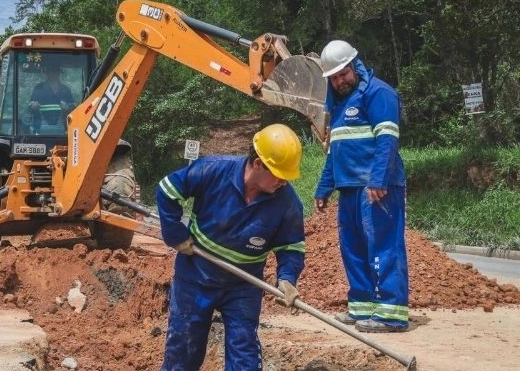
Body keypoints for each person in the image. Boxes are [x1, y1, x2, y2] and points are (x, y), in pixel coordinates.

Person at [156, 124, 306, 370]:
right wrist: (176, 235)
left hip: (243, 285)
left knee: (244, 356)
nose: (283, 182)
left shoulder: (287, 202)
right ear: (258, 164)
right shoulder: (213, 170)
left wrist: (287, 277)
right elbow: (167, 190)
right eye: (279, 174)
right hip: (195, 276)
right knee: (182, 352)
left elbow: (292, 246)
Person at [314, 40, 409, 333]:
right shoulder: (338, 104)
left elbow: (387, 140)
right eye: (334, 76)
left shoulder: (378, 93)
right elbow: (335, 150)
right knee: (353, 248)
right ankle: (362, 306)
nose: (340, 80)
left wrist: (379, 179)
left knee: (383, 247)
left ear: (354, 65)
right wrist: (324, 187)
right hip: (349, 189)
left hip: (377, 187)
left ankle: (392, 314)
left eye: (343, 73)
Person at [26, 64, 74, 133]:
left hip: (62, 129)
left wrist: (67, 107)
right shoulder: (38, 88)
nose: (53, 74)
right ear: (47, 73)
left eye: (56, 72)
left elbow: (74, 108)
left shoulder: (66, 90)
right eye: (51, 71)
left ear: (59, 73)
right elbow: (29, 108)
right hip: (39, 129)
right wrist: (33, 106)